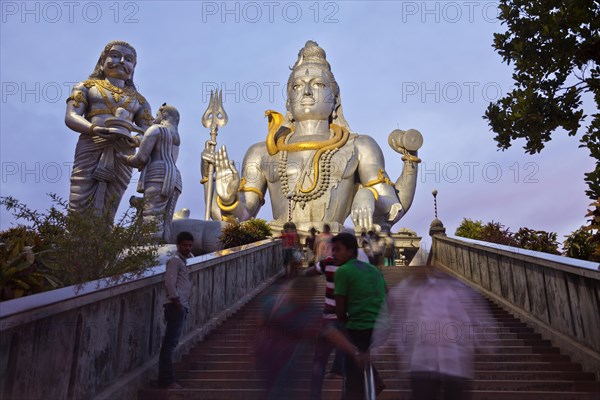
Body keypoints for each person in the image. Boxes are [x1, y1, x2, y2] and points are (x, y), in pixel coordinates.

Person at [201, 40, 421, 234]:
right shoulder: (262, 152)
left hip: (336, 245)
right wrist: (227, 198)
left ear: (335, 99)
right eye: (297, 86)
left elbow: (393, 207)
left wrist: (367, 194)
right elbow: (238, 218)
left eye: (317, 84)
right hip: (279, 246)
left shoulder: (359, 146)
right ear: (288, 102)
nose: (306, 92)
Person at [65, 40, 154, 221]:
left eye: (128, 59)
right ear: (102, 61)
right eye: (115, 56)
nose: (121, 61)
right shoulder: (87, 87)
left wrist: (135, 141)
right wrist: (94, 128)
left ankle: (104, 242)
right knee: (79, 198)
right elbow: (71, 116)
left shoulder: (140, 101)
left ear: (133, 67)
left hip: (123, 154)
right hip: (92, 145)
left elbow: (149, 131)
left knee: (110, 204)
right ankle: (74, 240)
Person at [384, 269, 497, 400]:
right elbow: (397, 320)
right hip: (424, 363)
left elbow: (479, 320)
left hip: (454, 364)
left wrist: (487, 344)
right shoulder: (409, 288)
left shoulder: (460, 289)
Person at [333, 232, 387, 399]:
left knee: (336, 333)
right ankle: (372, 375)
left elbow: (340, 311)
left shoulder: (343, 271)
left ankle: (353, 385)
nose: (333, 254)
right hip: (382, 326)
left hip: (361, 327)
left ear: (350, 252)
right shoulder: (373, 269)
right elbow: (388, 293)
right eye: (332, 250)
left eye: (337, 250)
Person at [121, 103, 182, 241]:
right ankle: (163, 249)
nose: (155, 118)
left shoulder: (155, 130)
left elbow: (141, 158)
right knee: (166, 221)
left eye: (157, 115)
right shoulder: (176, 138)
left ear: (164, 115)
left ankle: (150, 252)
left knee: (151, 216)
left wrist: (123, 158)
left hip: (158, 175)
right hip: (175, 178)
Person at [157, 231, 194, 389]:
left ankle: (167, 379)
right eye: (185, 245)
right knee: (169, 344)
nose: (187, 248)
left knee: (171, 343)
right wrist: (176, 300)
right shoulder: (175, 261)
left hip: (181, 306)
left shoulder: (184, 262)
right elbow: (170, 282)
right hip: (175, 306)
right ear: (178, 245)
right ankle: (167, 380)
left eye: (190, 245)